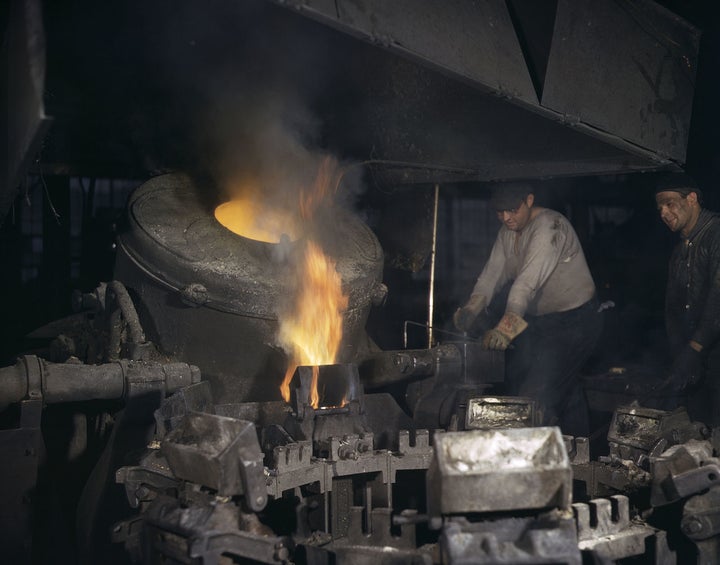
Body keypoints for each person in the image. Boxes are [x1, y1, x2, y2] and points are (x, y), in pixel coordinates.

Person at [454, 183, 602, 436]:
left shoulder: (549, 228)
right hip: (543, 324)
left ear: (529, 200)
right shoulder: (507, 233)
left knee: (536, 392)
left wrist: (505, 329)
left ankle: (534, 458)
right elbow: (491, 277)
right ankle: (578, 454)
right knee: (561, 386)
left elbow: (525, 285)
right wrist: (471, 308)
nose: (506, 218)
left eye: (512, 210)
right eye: (500, 212)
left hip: (576, 322)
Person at [655, 172, 720, 427]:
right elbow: (672, 307)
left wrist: (693, 348)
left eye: (669, 203)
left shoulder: (716, 235)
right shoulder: (680, 250)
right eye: (659, 207)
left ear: (691, 198)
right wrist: (679, 354)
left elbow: (718, 297)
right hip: (700, 352)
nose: (663, 212)